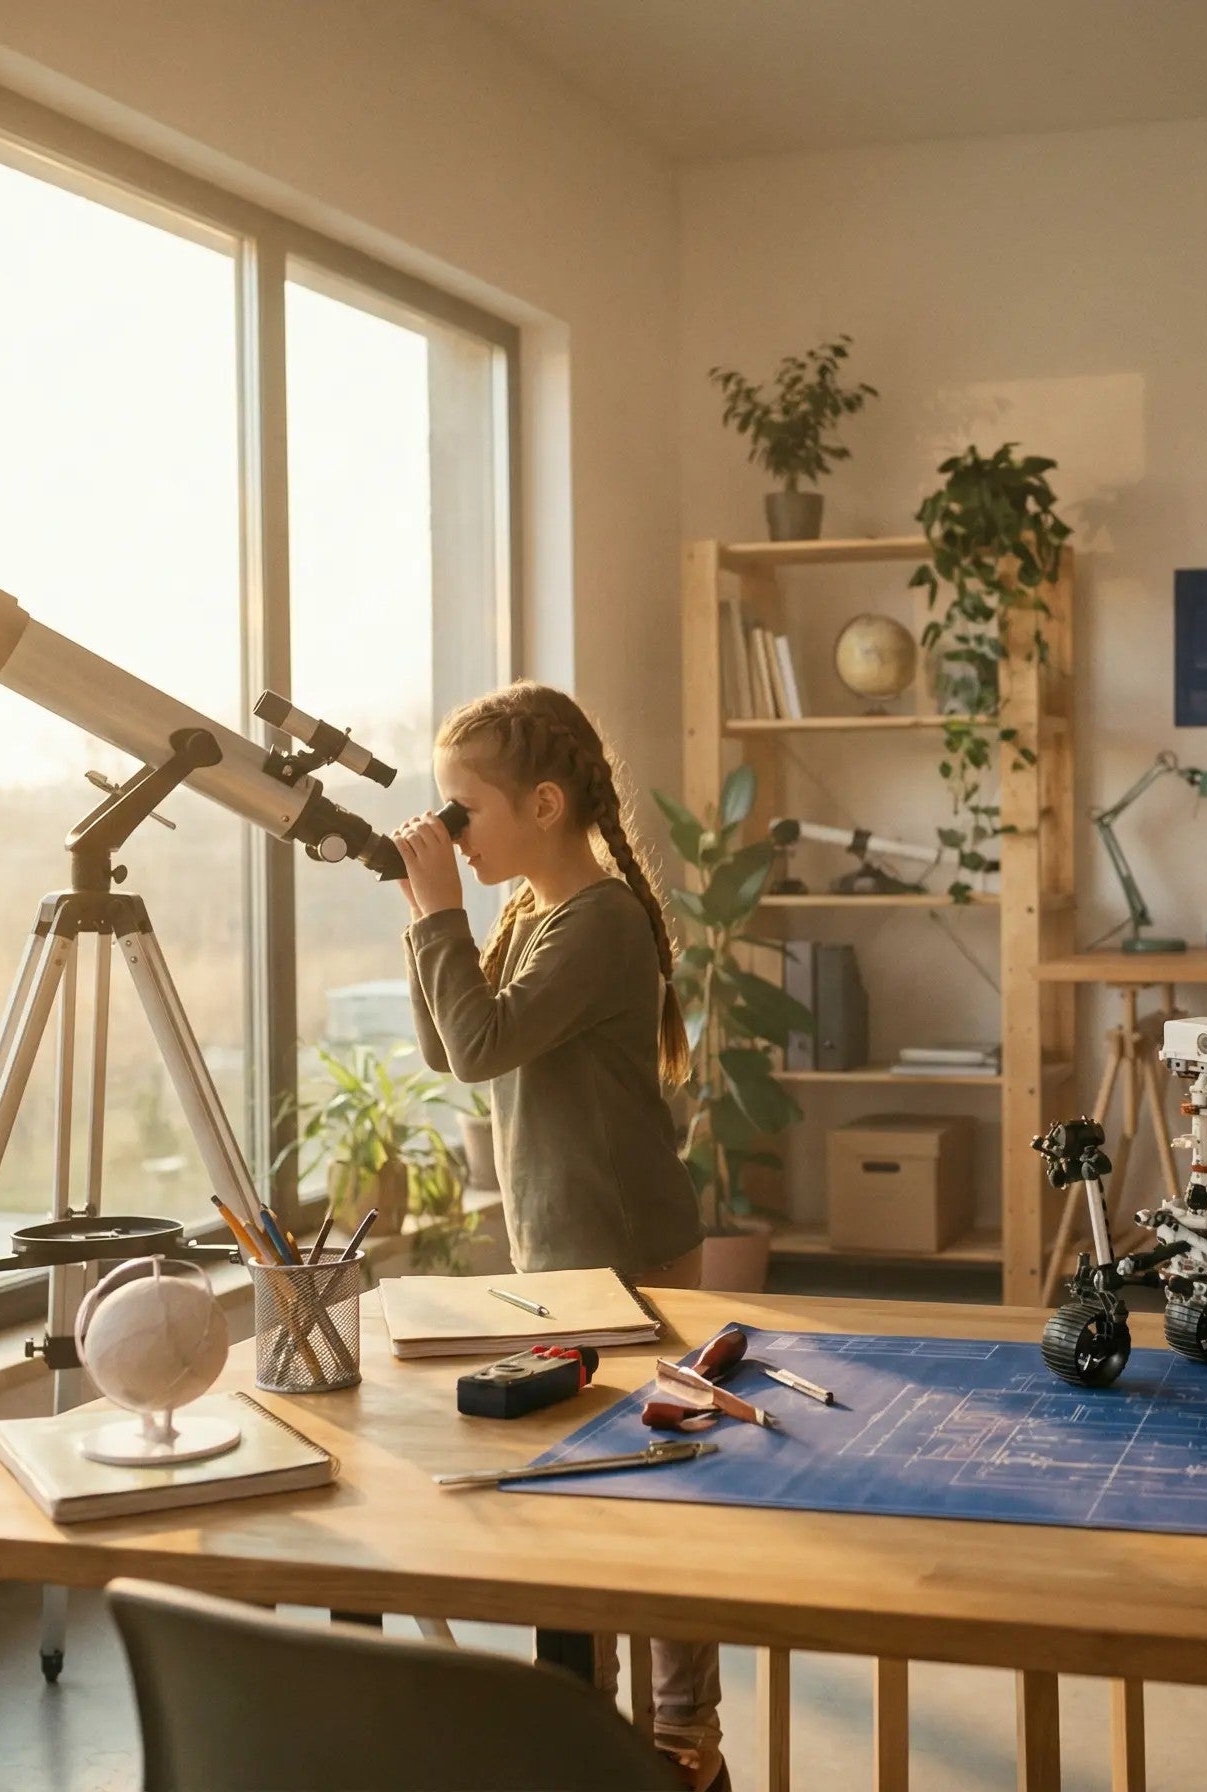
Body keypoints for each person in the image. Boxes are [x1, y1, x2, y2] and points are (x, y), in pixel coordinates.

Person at [391, 680, 723, 1792]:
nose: (450, 835)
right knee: (587, 1496)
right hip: (561, 1253)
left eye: (460, 813)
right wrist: (425, 913)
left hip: (627, 1252)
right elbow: (450, 1050)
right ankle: (596, 1737)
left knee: (661, 1496)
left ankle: (684, 1744)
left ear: (541, 803)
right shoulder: (532, 913)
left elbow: (479, 1048)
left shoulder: (602, 921)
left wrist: (439, 914)